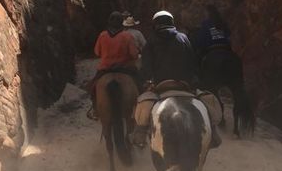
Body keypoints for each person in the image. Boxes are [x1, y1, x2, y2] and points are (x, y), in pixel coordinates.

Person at [135, 10, 221, 148]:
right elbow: (193, 60)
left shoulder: (151, 41)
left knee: (144, 102)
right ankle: (214, 131)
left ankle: (140, 132)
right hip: (184, 83)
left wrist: (145, 80)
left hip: (161, 84)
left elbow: (146, 66)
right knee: (206, 99)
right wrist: (194, 78)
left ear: (155, 24)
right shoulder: (183, 38)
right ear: (171, 22)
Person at [87, 11, 139, 120]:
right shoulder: (127, 36)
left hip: (105, 69)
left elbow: (97, 52)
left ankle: (95, 109)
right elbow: (134, 55)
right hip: (125, 69)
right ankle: (138, 107)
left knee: (92, 87)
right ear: (122, 23)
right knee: (140, 83)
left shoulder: (102, 35)